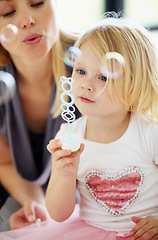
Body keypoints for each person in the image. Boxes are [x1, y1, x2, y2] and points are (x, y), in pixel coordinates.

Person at [1, 12, 158, 240]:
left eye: (103, 77)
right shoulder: (70, 134)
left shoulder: (149, 132)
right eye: (81, 71)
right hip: (89, 231)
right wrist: (64, 175)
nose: (85, 85)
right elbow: (58, 213)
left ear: (135, 84)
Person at [0, 0, 80, 232]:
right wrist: (35, 203)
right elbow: (4, 161)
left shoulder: (90, 65)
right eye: (8, 13)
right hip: (20, 188)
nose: (27, 21)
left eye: (37, 3)